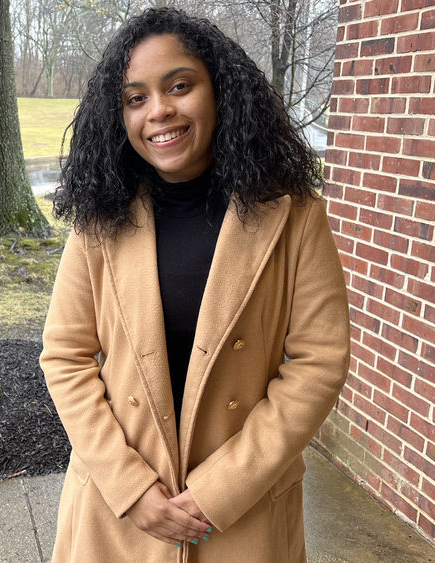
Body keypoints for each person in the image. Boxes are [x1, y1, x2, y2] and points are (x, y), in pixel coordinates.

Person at [40, 7, 350, 562]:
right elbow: (65, 356)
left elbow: (318, 362)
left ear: (219, 91)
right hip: (118, 515)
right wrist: (129, 487)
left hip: (244, 514)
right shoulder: (99, 219)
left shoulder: (294, 214)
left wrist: (218, 492)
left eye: (179, 86)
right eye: (135, 98)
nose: (159, 111)